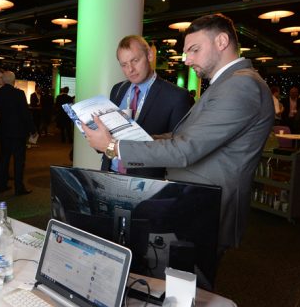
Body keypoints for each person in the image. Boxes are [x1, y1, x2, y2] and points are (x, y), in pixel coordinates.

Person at [82, 14, 274, 264]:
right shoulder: (226, 84)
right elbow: (182, 136)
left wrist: (112, 146)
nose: (187, 59)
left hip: (207, 204)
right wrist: (128, 138)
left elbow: (185, 149)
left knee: (190, 287)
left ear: (222, 41)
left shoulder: (240, 86)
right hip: (194, 200)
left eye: (194, 50)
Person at [102, 35, 192, 178]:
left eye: (135, 61)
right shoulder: (118, 89)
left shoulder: (176, 96)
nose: (130, 69)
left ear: (149, 55)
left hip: (147, 180)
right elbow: (110, 135)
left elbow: (179, 149)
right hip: (110, 171)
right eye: (124, 65)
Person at [0, 71, 36, 195]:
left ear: (3, 80)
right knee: (19, 161)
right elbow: (25, 114)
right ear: (13, 81)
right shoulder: (19, 93)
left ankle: (2, 185)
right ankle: (19, 187)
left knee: (3, 159)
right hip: (18, 133)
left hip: (3, 132)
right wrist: (32, 129)